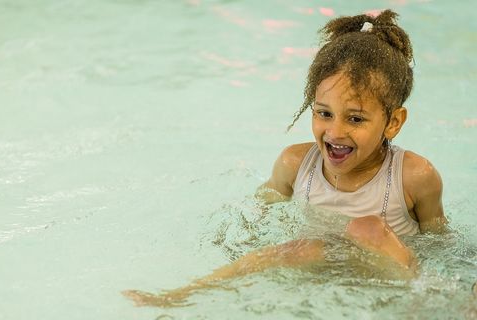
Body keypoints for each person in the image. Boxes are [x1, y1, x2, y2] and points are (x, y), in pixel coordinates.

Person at [123, 9, 448, 308]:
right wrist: (230, 240)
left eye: (356, 119)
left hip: (390, 280)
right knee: (304, 247)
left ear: (393, 122)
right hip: (317, 274)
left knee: (368, 228)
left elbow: (441, 245)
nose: (335, 132)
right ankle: (185, 295)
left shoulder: (413, 176)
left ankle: (429, 305)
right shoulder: (295, 164)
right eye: (324, 113)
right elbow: (254, 216)